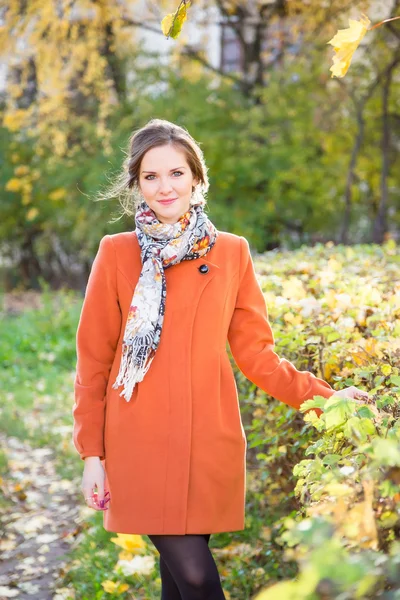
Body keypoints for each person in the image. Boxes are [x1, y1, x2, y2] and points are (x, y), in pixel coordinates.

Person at [72, 118, 370, 600]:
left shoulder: (232, 253)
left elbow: (257, 355)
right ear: (137, 184)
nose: (164, 187)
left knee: (179, 583)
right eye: (151, 176)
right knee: (196, 579)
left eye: (176, 173)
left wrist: (329, 400)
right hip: (138, 441)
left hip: (208, 439)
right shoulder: (116, 254)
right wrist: (92, 454)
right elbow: (94, 363)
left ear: (196, 177)